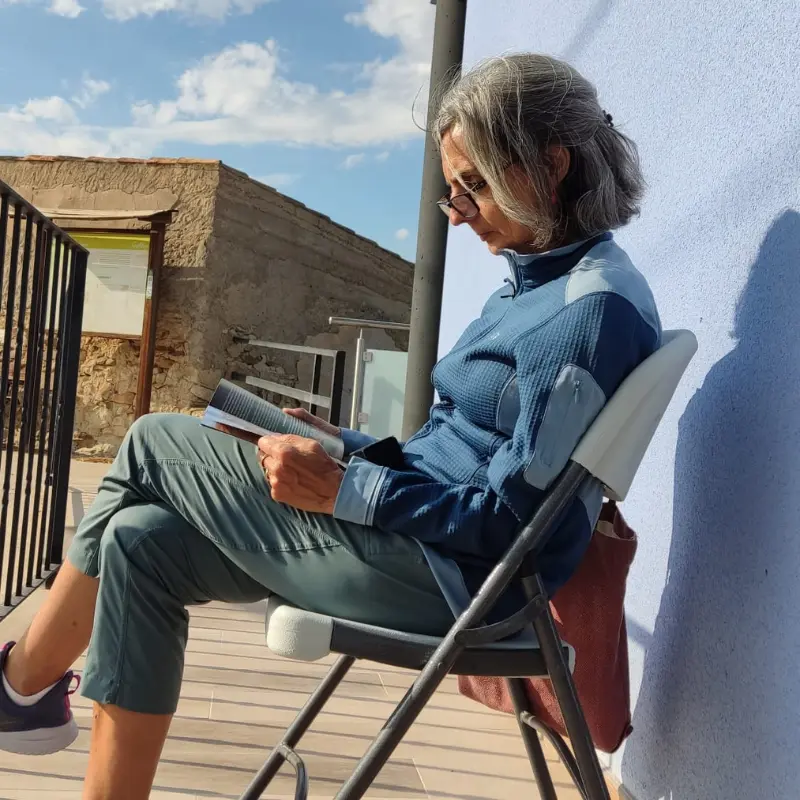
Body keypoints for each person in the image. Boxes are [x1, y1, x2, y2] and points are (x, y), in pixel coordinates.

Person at [0, 53, 660, 799]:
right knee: (139, 543)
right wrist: (344, 446)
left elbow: (515, 524)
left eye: (473, 185)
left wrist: (347, 490)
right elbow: (458, 460)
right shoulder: (537, 283)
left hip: (452, 581)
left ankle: (19, 686)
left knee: (152, 440)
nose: (458, 212)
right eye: (453, 191)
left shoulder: (586, 314)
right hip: (423, 551)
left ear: (551, 165)